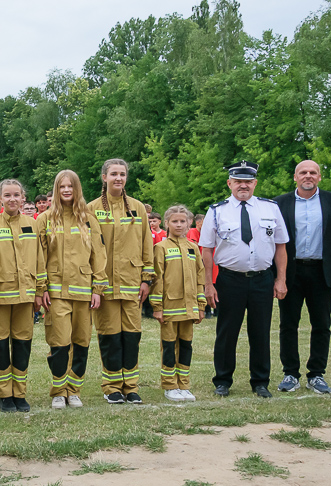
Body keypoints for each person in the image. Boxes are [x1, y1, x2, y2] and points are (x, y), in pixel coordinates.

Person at [200, 161, 288, 398]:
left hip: (262, 279)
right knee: (227, 332)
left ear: (255, 183)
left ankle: (260, 382)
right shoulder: (216, 211)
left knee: (260, 332)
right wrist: (208, 284)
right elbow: (206, 249)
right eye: (238, 181)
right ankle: (222, 380)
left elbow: (281, 246)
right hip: (230, 280)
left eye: (248, 181)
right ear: (229, 183)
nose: (243, 185)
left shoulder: (271, 209)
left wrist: (281, 279)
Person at [274, 160, 331, 395]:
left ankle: (316, 374)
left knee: (321, 324)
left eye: (312, 172)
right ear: (295, 177)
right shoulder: (280, 203)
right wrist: (275, 276)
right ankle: (290, 373)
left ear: (319, 177)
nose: (308, 176)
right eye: (303, 172)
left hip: (323, 271)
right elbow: (273, 241)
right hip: (291, 272)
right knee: (288, 324)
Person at [87, 158, 154, 404]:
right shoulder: (92, 208)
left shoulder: (137, 208)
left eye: (122, 174)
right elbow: (89, 248)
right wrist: (94, 282)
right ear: (104, 177)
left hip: (132, 283)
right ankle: (112, 386)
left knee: (131, 336)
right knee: (109, 336)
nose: (118, 178)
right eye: (113, 174)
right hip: (104, 285)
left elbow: (148, 244)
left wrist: (147, 278)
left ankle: (131, 386)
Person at [38, 170, 106, 410]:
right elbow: (39, 256)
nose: (66, 190)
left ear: (77, 189)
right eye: (62, 186)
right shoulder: (45, 219)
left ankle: (74, 390)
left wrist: (97, 288)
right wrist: (41, 288)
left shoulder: (88, 219)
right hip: (56, 293)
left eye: (71, 186)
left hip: (84, 292)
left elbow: (99, 256)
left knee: (81, 342)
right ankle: (59, 390)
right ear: (56, 190)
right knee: (59, 343)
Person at [0, 178, 46, 413]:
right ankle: (4, 395)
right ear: (0, 199)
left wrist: (39, 291)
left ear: (23, 198)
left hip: (27, 296)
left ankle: (19, 393)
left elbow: (40, 259)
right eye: (7, 195)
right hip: (0, 297)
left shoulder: (33, 224)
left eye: (16, 195)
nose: (12, 199)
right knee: (0, 346)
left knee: (22, 345)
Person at [150, 205, 205, 402]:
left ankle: (184, 384)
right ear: (167, 223)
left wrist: (201, 305)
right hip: (170, 307)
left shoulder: (193, 248)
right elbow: (157, 279)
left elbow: (200, 277)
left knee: (186, 345)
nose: (179, 224)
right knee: (169, 346)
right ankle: (169, 385)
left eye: (183, 221)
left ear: (189, 223)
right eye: (175, 221)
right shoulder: (160, 248)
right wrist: (157, 308)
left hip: (189, 307)